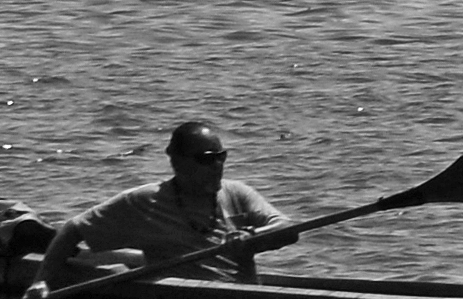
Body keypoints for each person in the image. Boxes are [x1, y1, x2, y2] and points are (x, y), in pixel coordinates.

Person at [61, 118, 292, 277]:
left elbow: (287, 229)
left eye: (222, 157)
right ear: (178, 161)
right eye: (207, 159)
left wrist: (251, 235)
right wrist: (42, 281)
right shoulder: (144, 201)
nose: (217, 166)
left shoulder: (237, 193)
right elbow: (72, 230)